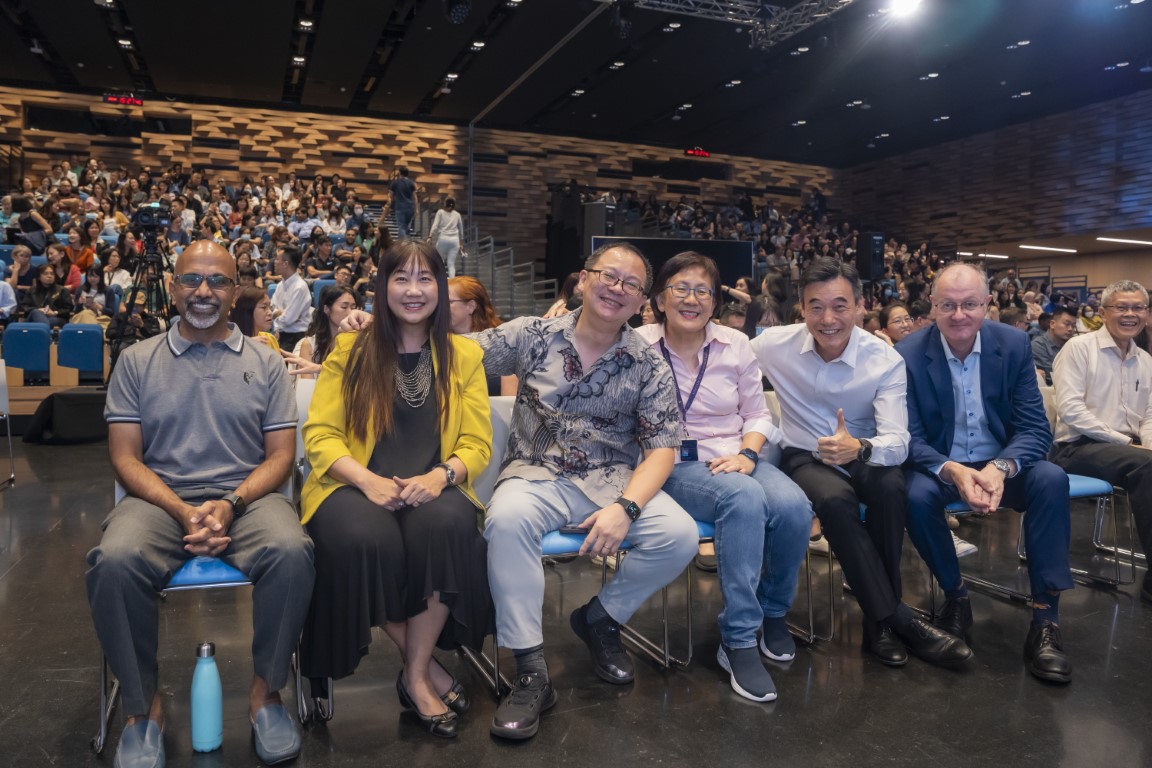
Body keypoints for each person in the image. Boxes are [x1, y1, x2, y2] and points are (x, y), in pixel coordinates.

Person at [85, 240, 314, 768]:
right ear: (173, 286)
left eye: (217, 281)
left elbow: (281, 457)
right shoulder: (137, 360)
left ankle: (266, 693)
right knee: (114, 561)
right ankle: (144, 711)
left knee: (292, 550)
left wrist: (231, 503)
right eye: (192, 280)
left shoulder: (266, 359)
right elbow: (124, 458)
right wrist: (184, 511)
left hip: (249, 497)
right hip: (159, 501)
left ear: (235, 291)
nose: (204, 291)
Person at [300, 241, 492, 739]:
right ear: (381, 287)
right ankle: (424, 671)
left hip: (431, 484)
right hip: (351, 484)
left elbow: (475, 444)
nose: (413, 290)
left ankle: (414, 672)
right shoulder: (351, 349)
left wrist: (441, 476)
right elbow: (320, 435)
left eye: (425, 278)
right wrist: (366, 480)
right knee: (368, 540)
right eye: (399, 278)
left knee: (450, 525)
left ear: (441, 286)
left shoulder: (465, 355)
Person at [750, 257, 971, 668]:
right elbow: (726, 359)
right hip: (805, 453)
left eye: (839, 305)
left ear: (859, 306)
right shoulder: (771, 345)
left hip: (864, 449)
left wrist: (859, 447)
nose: (828, 318)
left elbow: (898, 439)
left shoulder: (882, 359)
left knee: (891, 489)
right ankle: (895, 618)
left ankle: (878, 621)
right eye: (816, 306)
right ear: (801, 308)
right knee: (834, 501)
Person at [634, 252, 811, 702]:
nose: (691, 299)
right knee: (743, 499)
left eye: (702, 291)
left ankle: (773, 612)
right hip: (673, 465)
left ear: (714, 302)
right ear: (659, 298)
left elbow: (756, 412)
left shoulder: (736, 344)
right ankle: (738, 639)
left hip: (738, 457)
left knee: (794, 507)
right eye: (680, 288)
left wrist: (750, 454)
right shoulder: (635, 345)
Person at [897, 263, 1073, 683]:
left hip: (1001, 462)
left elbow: (1034, 428)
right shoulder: (906, 354)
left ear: (988, 305)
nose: (960, 315)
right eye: (948, 305)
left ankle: (1045, 619)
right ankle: (956, 597)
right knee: (915, 496)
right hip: (942, 465)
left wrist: (1000, 467)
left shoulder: (1012, 345)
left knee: (1051, 478)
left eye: (971, 304)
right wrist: (953, 469)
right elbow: (909, 437)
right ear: (932, 307)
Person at [1051, 280, 1152, 606]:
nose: (1130, 314)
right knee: (1146, 465)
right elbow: (1072, 411)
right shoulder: (1079, 348)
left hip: (1127, 452)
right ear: (1103, 312)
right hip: (1076, 448)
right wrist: (1128, 443)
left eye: (1138, 308)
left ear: (1147, 315)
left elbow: (1149, 416)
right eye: (1122, 307)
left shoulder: (1146, 360)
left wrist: (1145, 444)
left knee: (1146, 460)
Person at [447, 276, 516, 396]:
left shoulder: (502, 343)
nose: (440, 308)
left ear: (471, 306)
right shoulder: (438, 343)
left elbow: (509, 400)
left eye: (448, 302)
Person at [294, 285, 360, 374]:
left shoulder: (358, 341)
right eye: (344, 307)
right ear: (326, 309)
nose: (350, 312)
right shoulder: (309, 345)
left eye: (353, 308)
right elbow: (307, 384)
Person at [269, 245, 312, 351]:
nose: (274, 262)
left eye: (277, 259)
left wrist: (277, 316)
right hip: (281, 333)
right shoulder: (280, 285)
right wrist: (277, 314)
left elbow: (288, 319)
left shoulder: (300, 287)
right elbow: (271, 308)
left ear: (285, 264)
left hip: (296, 337)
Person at [1031, 306, 1078, 385]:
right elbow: (1052, 376)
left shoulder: (1074, 344)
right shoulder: (1038, 345)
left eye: (1073, 326)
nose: (1070, 329)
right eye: (1067, 324)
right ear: (1052, 324)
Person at [20, 264, 73, 328]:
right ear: (39, 277)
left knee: (47, 321)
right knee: (36, 313)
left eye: (52, 274)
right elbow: (24, 307)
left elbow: (68, 309)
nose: (49, 276)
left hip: (56, 318)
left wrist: (55, 313)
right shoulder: (31, 291)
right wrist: (39, 310)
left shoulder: (62, 290)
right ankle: (47, 335)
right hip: (33, 318)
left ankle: (44, 334)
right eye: (46, 274)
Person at [230, 285, 279, 351]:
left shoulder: (270, 339)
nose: (270, 312)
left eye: (270, 307)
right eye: (264, 307)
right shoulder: (229, 344)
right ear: (247, 310)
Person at [428, 197, 464, 278]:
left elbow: (435, 226)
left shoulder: (440, 212)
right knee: (451, 264)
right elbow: (461, 230)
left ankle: (440, 279)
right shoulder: (457, 215)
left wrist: (430, 236)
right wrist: (461, 243)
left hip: (443, 239)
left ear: (445, 203)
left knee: (440, 261)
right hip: (455, 241)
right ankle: (451, 282)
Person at [388, 166, 419, 237]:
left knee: (401, 226)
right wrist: (416, 208)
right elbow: (415, 197)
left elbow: (391, 196)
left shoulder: (395, 183)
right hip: (410, 207)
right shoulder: (412, 183)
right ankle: (406, 242)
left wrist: (390, 207)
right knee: (407, 227)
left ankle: (402, 244)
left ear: (400, 173)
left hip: (400, 207)